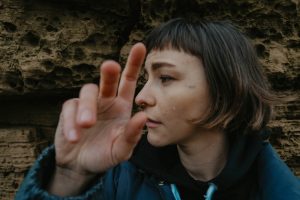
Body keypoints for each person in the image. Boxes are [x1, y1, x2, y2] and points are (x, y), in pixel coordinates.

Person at [16, 18, 299, 200]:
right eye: (146, 79)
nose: (142, 96)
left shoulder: (275, 188)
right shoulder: (120, 180)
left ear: (226, 89)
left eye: (165, 78)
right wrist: (71, 174)